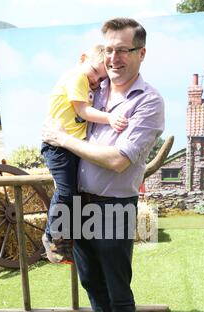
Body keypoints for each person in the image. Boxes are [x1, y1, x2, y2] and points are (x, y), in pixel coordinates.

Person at [42, 18, 165, 312]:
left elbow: (116, 160)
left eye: (123, 50)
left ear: (140, 53)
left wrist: (62, 138)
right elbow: (59, 117)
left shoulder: (149, 101)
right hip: (79, 203)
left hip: (114, 206)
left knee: (117, 288)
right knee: (90, 281)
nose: (114, 58)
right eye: (108, 49)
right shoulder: (91, 88)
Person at [41, 45, 128, 263]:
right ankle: (52, 237)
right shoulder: (77, 77)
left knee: (73, 194)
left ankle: (65, 240)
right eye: (96, 72)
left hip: (70, 146)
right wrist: (109, 118)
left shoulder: (85, 80)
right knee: (66, 192)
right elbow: (82, 111)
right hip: (58, 147)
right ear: (82, 58)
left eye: (101, 78)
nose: (96, 81)